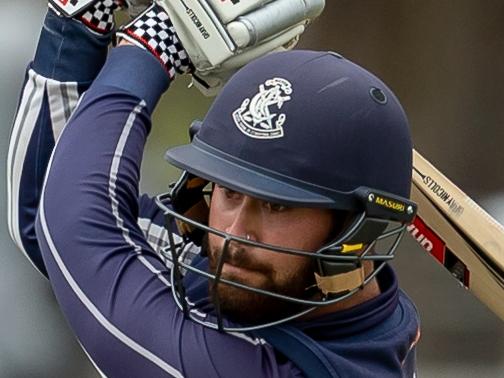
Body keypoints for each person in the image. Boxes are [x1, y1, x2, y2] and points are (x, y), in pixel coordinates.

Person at [7, 1, 421, 376]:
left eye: (276, 207)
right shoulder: (289, 289)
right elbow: (48, 213)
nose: (233, 234)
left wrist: (149, 51)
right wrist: (78, 33)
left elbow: (76, 228)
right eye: (230, 193)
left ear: (357, 233)